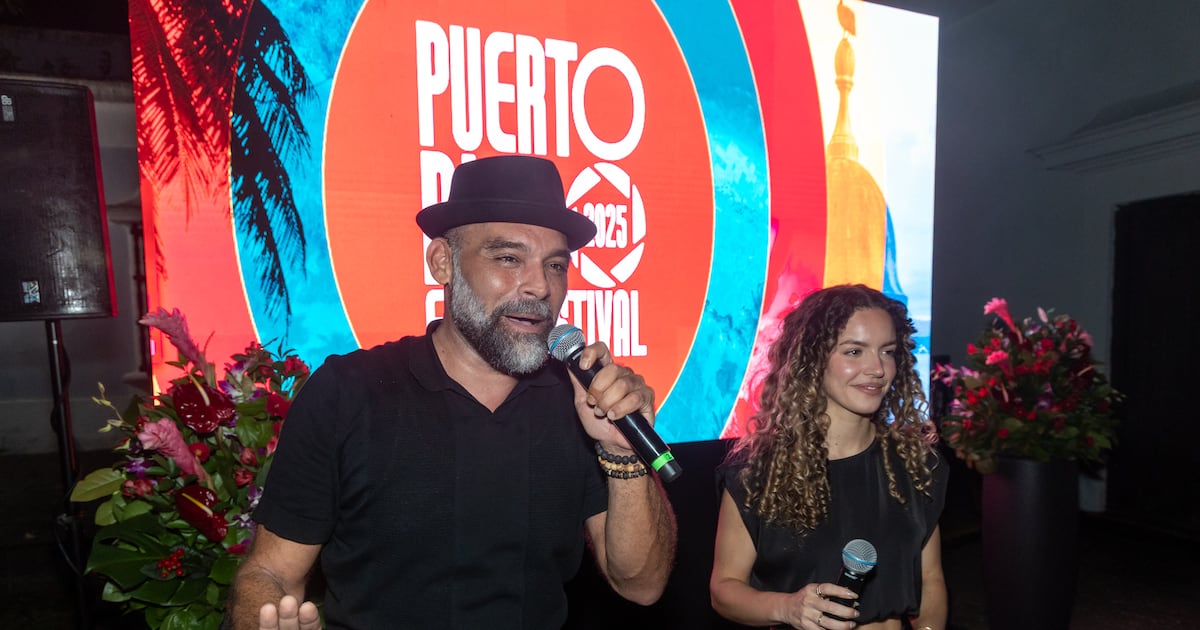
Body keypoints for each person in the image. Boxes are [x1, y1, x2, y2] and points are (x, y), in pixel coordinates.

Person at [227, 155, 677, 630]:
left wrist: (621, 454)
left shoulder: (577, 402)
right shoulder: (349, 392)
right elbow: (269, 573)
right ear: (443, 262)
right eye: (508, 258)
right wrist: (266, 617)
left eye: (556, 265)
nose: (541, 286)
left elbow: (642, 585)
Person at [710, 285, 947, 630]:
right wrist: (787, 608)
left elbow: (931, 581)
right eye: (854, 351)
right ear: (812, 359)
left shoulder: (914, 462)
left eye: (887, 351)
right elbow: (724, 589)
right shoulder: (759, 472)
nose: (877, 368)